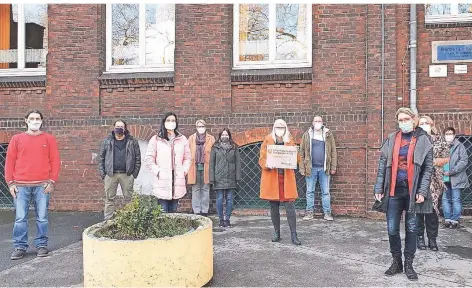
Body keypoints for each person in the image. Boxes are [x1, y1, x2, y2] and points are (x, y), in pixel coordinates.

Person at [373, 107, 433, 281]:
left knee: (412, 228)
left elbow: (428, 169)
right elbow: (382, 166)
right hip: (394, 190)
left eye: (406, 119)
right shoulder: (392, 139)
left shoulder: (424, 140)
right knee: (392, 228)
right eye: (400, 120)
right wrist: (378, 187)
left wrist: (422, 191)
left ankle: (409, 264)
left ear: (413, 120)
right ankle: (396, 261)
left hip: (413, 192)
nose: (403, 122)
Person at [5, 110, 60, 260]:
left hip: (42, 186)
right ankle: (20, 246)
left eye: (37, 118)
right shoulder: (16, 139)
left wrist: (52, 181)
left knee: (42, 217)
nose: (35, 121)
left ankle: (41, 245)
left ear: (42, 121)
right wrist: (10, 183)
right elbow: (9, 162)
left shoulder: (49, 139)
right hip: (20, 185)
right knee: (20, 218)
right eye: (32, 118)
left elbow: (55, 161)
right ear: (26, 120)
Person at [259, 119, 301, 245]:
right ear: (274, 127)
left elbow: (297, 160)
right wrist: (268, 164)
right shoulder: (267, 140)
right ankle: (276, 232)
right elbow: (261, 160)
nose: (280, 128)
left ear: (285, 128)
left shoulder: (290, 140)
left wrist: (296, 154)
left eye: (282, 126)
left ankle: (294, 234)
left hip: (286, 178)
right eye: (277, 126)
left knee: (290, 206)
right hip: (272, 178)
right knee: (274, 206)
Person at [145, 112, 191, 213]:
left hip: (177, 179)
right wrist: (158, 172)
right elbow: (149, 159)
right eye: (168, 120)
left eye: (173, 120)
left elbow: (187, 157)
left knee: (174, 211)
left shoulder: (182, 139)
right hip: (162, 180)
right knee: (163, 211)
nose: (171, 123)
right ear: (164, 122)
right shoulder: (156, 139)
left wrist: (184, 171)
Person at [416, 116, 449, 251]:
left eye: (426, 123)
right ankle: (419, 238)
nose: (424, 125)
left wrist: (432, 162)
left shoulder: (439, 140)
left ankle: (432, 239)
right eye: (421, 123)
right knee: (418, 211)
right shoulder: (416, 140)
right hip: (418, 180)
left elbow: (446, 158)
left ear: (432, 124)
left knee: (432, 212)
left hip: (435, 182)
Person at [99, 119, 141, 220]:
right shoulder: (107, 141)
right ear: (114, 128)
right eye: (117, 127)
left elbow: (138, 158)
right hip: (110, 175)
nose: (119, 129)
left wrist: (133, 174)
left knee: (129, 199)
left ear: (125, 128)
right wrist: (103, 174)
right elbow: (101, 158)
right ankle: (107, 221)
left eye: (121, 127)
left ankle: (130, 221)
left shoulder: (132, 141)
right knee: (109, 199)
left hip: (127, 175)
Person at [299, 115, 337, 221]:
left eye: (319, 121)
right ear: (312, 122)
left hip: (324, 168)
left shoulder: (328, 134)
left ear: (322, 122)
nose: (318, 122)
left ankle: (327, 213)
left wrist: (333, 166)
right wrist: (302, 168)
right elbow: (301, 152)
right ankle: (309, 213)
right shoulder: (307, 135)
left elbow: (333, 151)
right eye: (316, 121)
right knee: (310, 191)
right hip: (311, 168)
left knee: (325, 192)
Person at [209, 128, 241, 228]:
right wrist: (212, 178)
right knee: (219, 199)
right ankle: (221, 219)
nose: (224, 136)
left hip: (231, 177)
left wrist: (237, 177)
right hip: (218, 177)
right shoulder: (215, 148)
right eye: (223, 135)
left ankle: (227, 219)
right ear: (220, 136)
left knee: (230, 199)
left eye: (226, 135)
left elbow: (238, 163)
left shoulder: (234, 147)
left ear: (229, 136)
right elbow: (211, 164)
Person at [442, 127, 469, 229]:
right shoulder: (441, 146)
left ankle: (454, 220)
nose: (448, 135)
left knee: (456, 199)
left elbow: (463, 161)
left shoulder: (459, 146)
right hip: (444, 178)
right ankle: (447, 219)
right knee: (445, 199)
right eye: (446, 133)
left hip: (456, 178)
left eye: (450, 133)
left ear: (454, 135)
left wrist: (452, 172)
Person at [187, 120, 215, 216]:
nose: (201, 128)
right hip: (194, 167)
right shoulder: (191, 138)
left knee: (205, 189)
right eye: (199, 126)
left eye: (202, 126)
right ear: (196, 127)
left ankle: (204, 210)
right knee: (195, 189)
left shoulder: (211, 138)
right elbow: (187, 153)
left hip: (206, 167)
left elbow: (213, 153)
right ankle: (197, 211)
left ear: (205, 127)